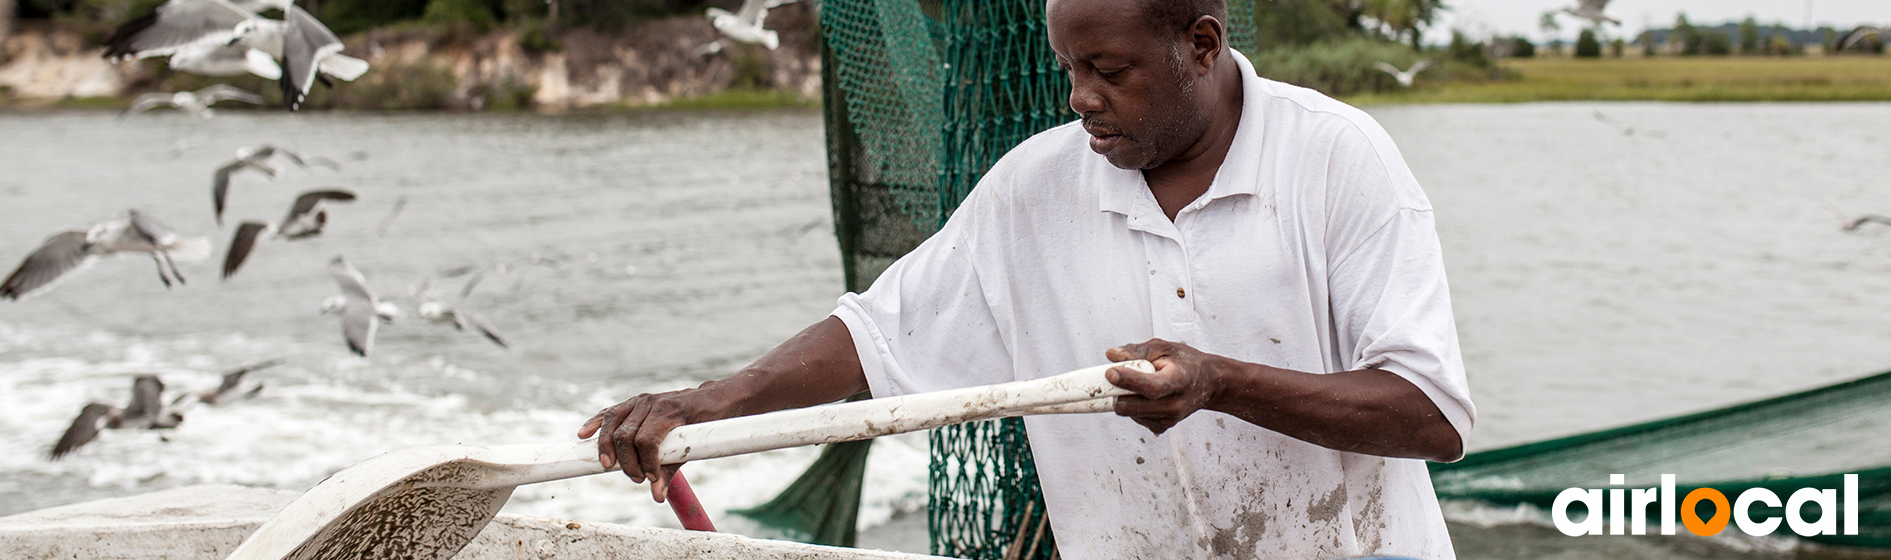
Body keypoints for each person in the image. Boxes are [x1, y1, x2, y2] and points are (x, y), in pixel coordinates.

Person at [579, 0, 1474, 557]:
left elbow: (1428, 413)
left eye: (1109, 71)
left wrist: (1219, 383)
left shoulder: (1337, 160)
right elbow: (878, 332)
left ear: (1201, 45)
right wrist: (715, 401)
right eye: (1069, 68)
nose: (1079, 97)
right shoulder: (1034, 187)